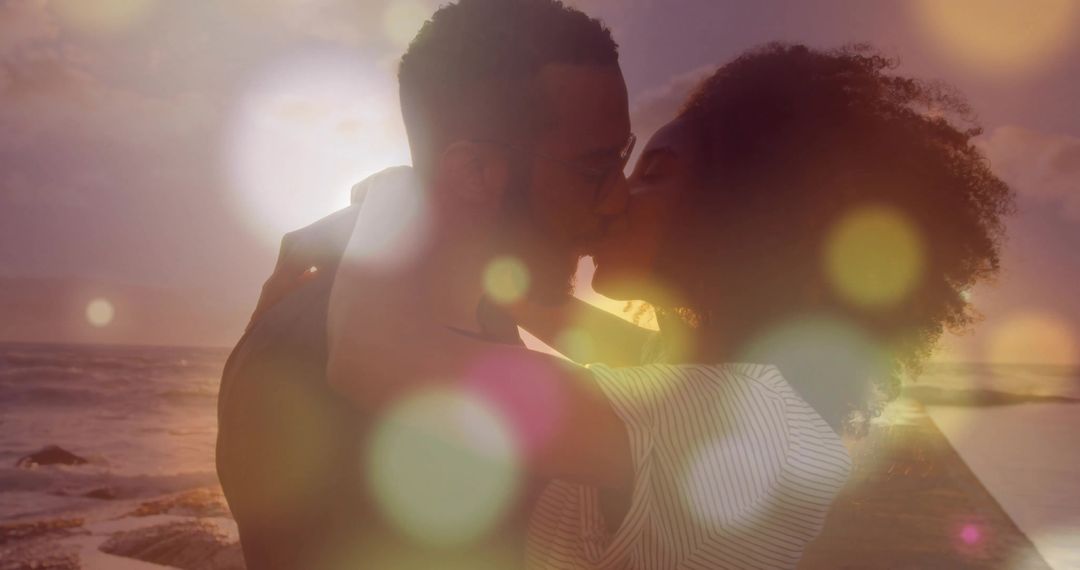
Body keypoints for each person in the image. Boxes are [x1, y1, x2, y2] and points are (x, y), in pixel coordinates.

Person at [330, 44, 1014, 568]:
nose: (614, 196)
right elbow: (562, 319)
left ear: (746, 215)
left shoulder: (718, 420)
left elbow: (374, 358)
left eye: (651, 175)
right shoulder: (748, 393)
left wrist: (400, 194)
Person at [216, 0, 633, 567]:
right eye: (595, 169)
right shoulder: (351, 367)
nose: (619, 199)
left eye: (625, 160)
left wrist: (395, 200)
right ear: (476, 172)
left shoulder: (448, 322)